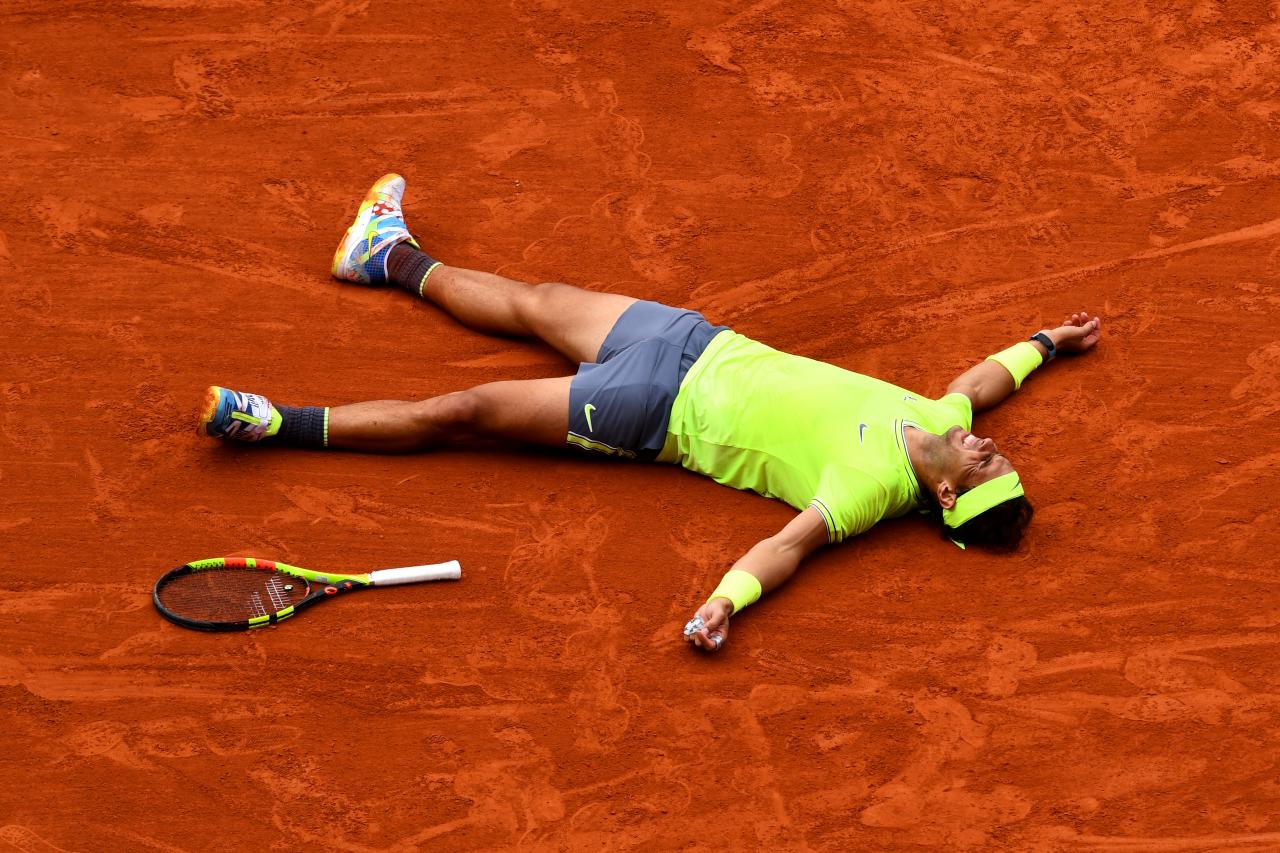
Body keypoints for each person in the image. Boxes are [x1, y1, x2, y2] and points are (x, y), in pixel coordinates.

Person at [199, 174, 1102, 652]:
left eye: (982, 464)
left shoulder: (870, 487)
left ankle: (274, 422)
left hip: (655, 410)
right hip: (695, 341)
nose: (983, 446)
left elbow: (782, 548)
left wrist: (722, 604)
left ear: (945, 498)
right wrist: (1048, 342)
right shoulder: (941, 416)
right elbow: (986, 380)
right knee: (537, 298)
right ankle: (384, 253)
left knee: (468, 409)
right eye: (993, 454)